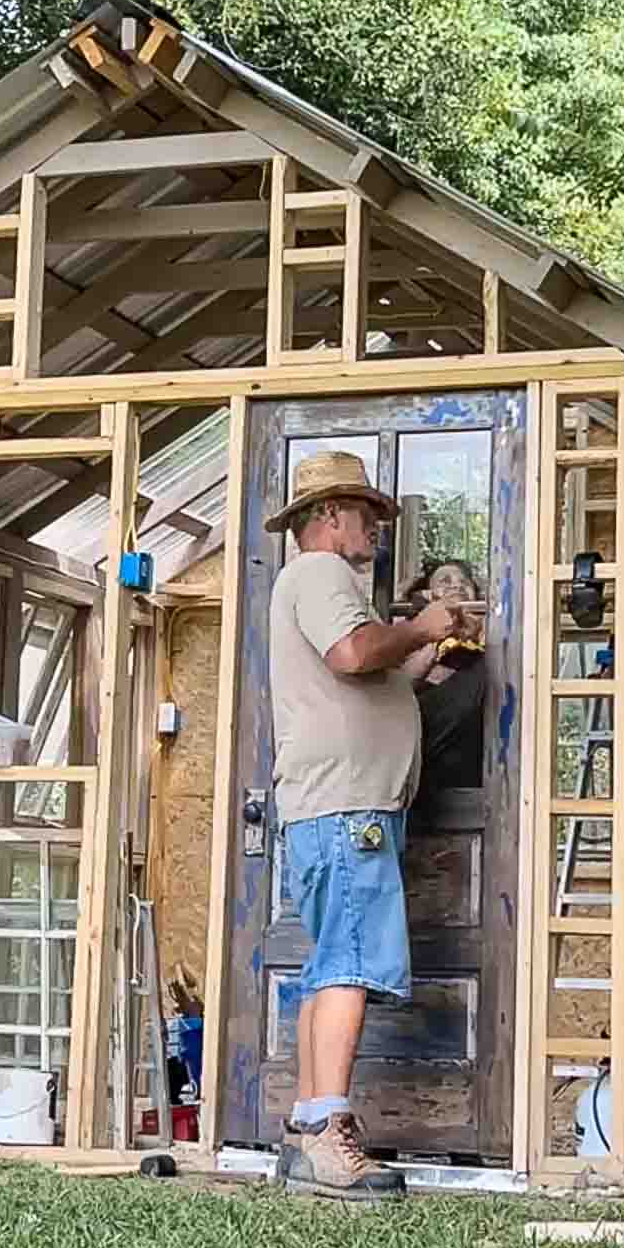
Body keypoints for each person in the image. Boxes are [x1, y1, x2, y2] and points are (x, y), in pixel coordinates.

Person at [266, 450, 463, 1200]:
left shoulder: (324, 587)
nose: (377, 526)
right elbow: (353, 654)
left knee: (332, 961)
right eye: (367, 513)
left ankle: (308, 1125)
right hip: (346, 808)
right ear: (328, 517)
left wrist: (418, 656)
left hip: (340, 806)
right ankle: (327, 1135)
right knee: (349, 963)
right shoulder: (320, 576)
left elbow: (363, 676)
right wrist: (422, 625)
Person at [402, 559, 488, 826]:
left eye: (464, 582)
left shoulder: (488, 661)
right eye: (445, 582)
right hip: (418, 797)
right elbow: (399, 689)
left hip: (474, 793)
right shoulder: (412, 656)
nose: (457, 586)